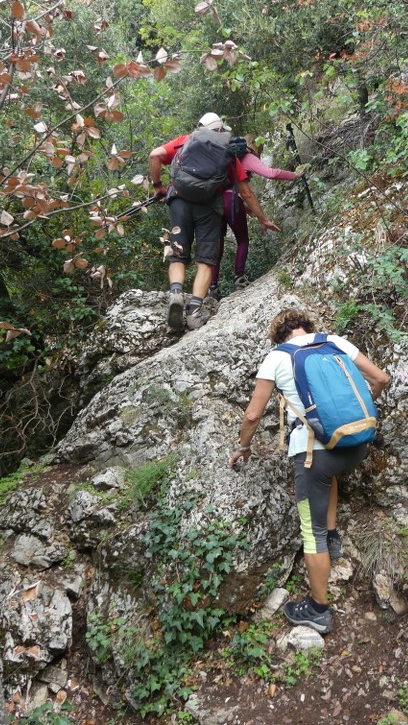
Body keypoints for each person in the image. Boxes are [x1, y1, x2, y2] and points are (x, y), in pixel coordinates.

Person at [228, 309, 390, 634]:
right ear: (307, 328)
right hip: (356, 445)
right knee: (327, 481)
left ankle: (318, 608)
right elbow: (382, 379)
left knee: (309, 531)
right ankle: (332, 536)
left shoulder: (276, 357)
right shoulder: (333, 341)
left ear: (279, 336)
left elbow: (252, 415)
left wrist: (243, 446)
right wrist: (357, 415)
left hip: (314, 455)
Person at [148, 114, 280, 331]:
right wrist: (263, 219)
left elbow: (155, 155)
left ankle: (176, 294)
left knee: (177, 253)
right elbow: (246, 193)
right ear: (221, 130)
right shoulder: (227, 151)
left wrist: (158, 187)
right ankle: (194, 311)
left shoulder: (184, 141)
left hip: (179, 201)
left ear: (199, 127)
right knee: (206, 260)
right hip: (208, 208)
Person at [209, 136, 304, 299]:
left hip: (212, 203)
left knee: (217, 246)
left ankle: (212, 288)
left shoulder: (222, 155)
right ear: (256, 147)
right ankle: (239, 278)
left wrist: (245, 208)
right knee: (243, 240)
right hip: (231, 201)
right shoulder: (247, 156)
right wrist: (295, 175)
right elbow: (271, 173)